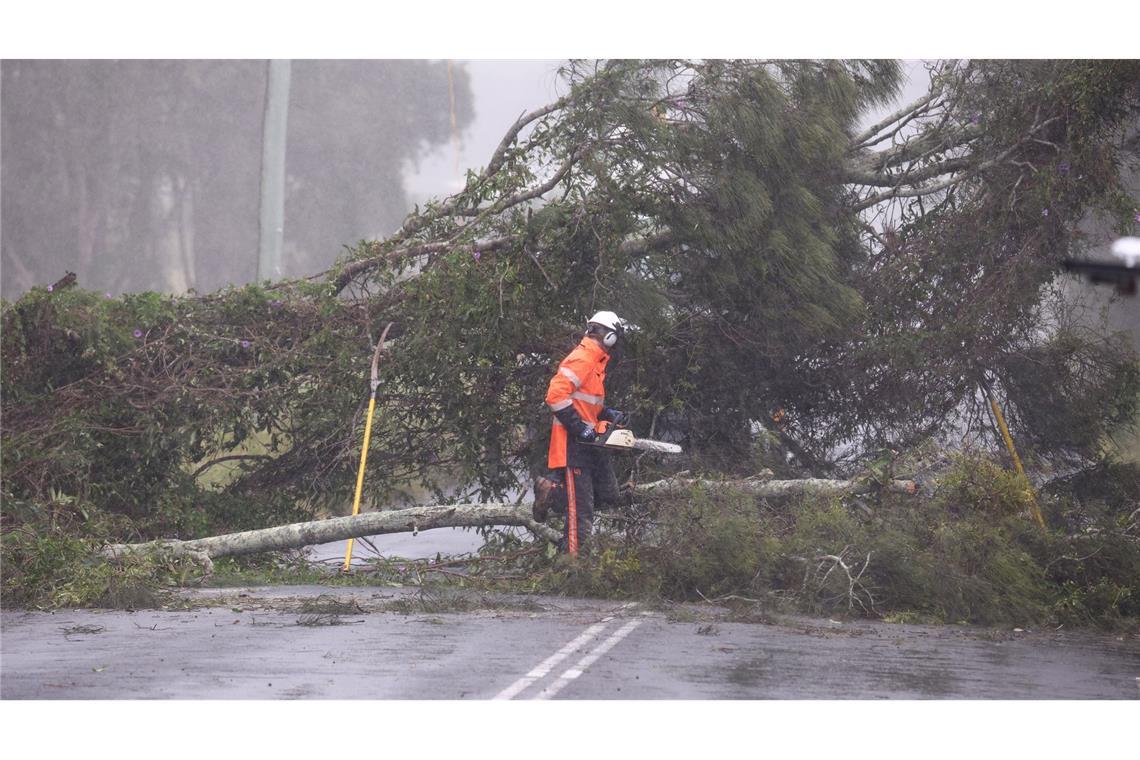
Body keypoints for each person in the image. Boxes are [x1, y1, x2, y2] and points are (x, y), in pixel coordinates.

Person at [532, 311, 628, 553]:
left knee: (609, 494)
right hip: (573, 446)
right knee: (581, 517)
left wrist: (606, 413)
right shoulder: (583, 358)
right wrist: (579, 429)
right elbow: (555, 396)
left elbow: (584, 402)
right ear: (610, 337)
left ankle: (555, 491)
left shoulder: (595, 362)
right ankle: (572, 567)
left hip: (590, 444)